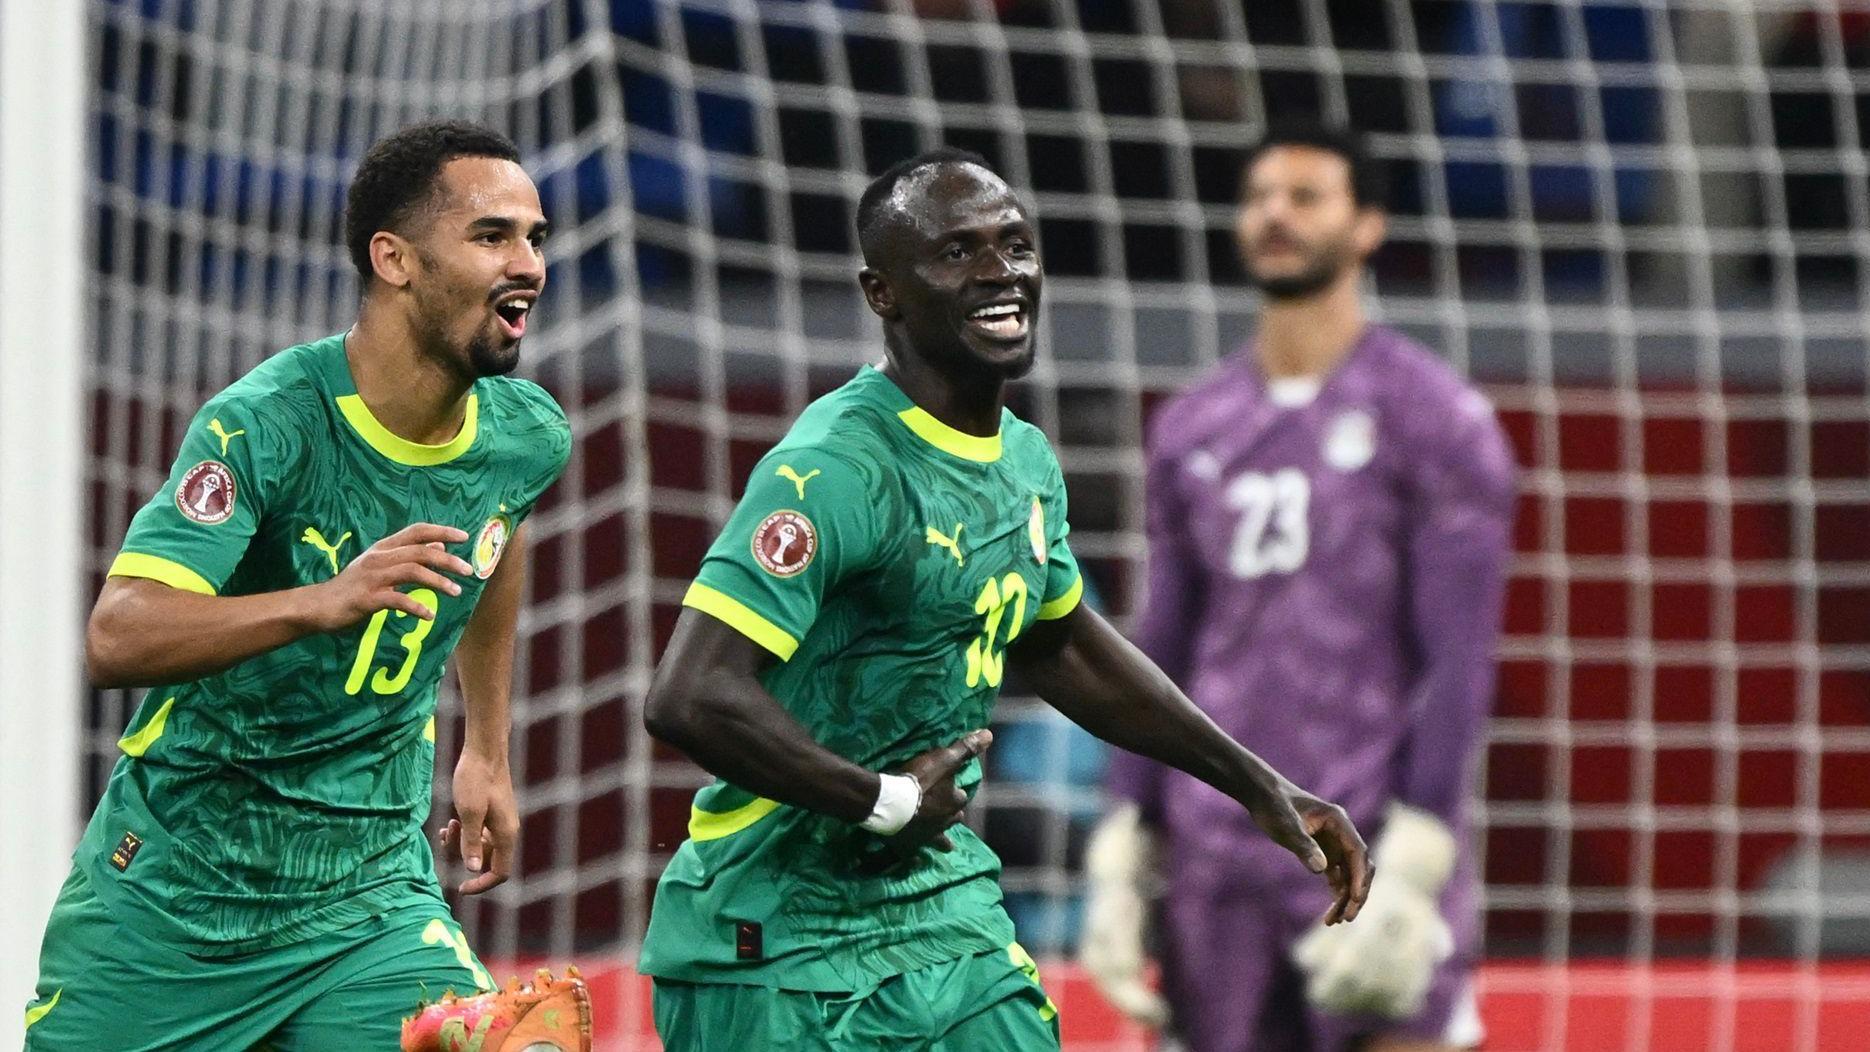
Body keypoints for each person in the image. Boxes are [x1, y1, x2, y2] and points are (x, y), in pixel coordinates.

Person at [638, 147, 1373, 1052]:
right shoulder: (837, 468)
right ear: (884, 294)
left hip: (940, 912)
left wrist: (1257, 785)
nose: (1000, 273)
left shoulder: (1023, 461)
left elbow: (1061, 644)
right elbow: (689, 695)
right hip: (774, 936)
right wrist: (883, 801)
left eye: (1015, 245)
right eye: (957, 252)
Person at [23, 120, 583, 1050]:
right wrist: (319, 601)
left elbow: (498, 533)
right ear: (394, 260)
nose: (527, 263)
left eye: (535, 238)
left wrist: (487, 743)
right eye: (492, 237)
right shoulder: (264, 427)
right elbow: (117, 637)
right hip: (177, 902)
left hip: (368, 900)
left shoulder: (526, 433)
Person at [1079, 121, 1518, 1052]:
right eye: (1261, 196)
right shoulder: (1195, 424)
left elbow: (1459, 660)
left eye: (1307, 195)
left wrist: (1422, 854)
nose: (1276, 214)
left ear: (1367, 226)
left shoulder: (1436, 419)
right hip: (1216, 856)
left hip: (1366, 834)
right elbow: (1160, 645)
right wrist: (1123, 838)